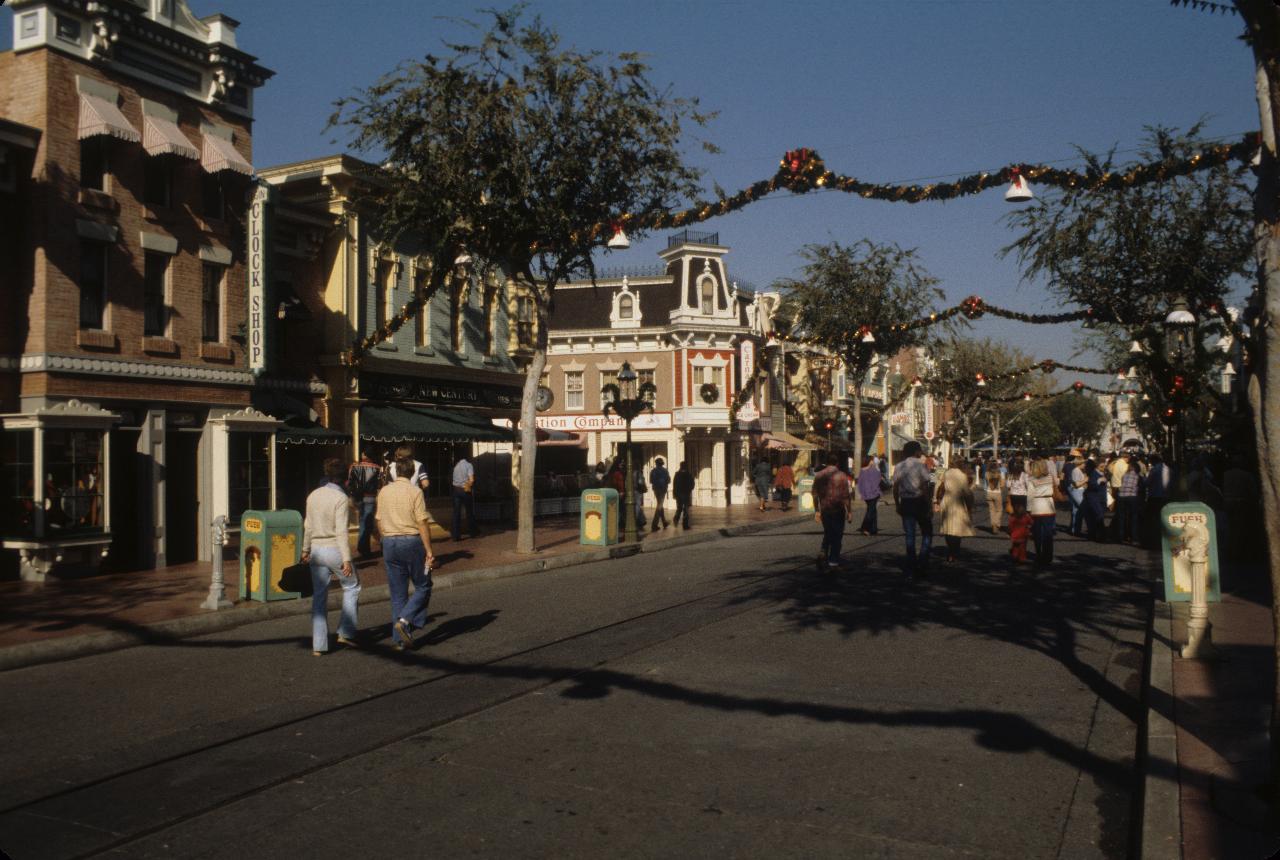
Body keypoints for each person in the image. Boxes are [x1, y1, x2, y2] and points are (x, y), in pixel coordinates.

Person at [376, 455, 436, 650]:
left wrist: (384, 538)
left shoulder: (383, 491)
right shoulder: (415, 491)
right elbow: (422, 521)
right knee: (423, 585)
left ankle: (400, 640)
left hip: (389, 542)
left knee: (398, 594)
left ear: (395, 472)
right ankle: (405, 621)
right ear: (412, 472)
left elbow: (378, 520)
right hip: (411, 541)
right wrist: (428, 549)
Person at [302, 458, 360, 656]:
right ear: (345, 481)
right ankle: (346, 631)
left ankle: (319, 645)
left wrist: (305, 549)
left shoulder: (313, 495)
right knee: (352, 586)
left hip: (316, 550)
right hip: (334, 549)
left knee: (319, 596)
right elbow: (342, 532)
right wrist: (346, 559)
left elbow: (308, 525)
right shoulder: (341, 499)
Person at [892, 441, 934, 575]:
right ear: (916, 452)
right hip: (920, 501)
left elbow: (895, 488)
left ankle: (911, 565)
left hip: (906, 502)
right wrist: (929, 505)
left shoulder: (898, 466)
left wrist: (897, 504)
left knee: (909, 535)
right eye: (920, 450)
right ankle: (922, 560)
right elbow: (925, 487)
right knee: (927, 532)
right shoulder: (921, 466)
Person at [812, 460, 853, 571]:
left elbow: (815, 494)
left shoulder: (819, 475)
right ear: (837, 463)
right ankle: (833, 562)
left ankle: (823, 552)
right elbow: (846, 495)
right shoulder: (841, 475)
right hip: (838, 509)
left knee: (829, 532)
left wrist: (817, 510)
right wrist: (849, 511)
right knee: (837, 536)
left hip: (825, 509)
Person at [935, 456, 974, 563]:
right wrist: (970, 504)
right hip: (958, 502)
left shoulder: (946, 473)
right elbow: (967, 492)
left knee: (948, 528)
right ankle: (954, 552)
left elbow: (938, 485)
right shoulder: (962, 475)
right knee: (957, 529)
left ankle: (950, 551)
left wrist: (936, 500)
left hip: (947, 501)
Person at [347, 449, 382, 558]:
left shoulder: (354, 466)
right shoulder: (377, 468)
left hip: (358, 497)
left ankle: (363, 548)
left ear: (365, 455)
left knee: (364, 522)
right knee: (366, 524)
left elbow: (350, 482)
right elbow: (380, 484)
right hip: (370, 497)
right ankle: (364, 549)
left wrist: (351, 497)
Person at [1027, 458, 1059, 568]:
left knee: (1037, 534)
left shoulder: (1031, 480)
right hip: (1049, 506)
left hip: (1036, 506)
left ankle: (1039, 555)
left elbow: (1030, 496)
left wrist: (1028, 509)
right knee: (1048, 533)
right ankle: (1048, 556)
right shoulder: (1050, 477)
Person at [1143, 453, 1172, 548]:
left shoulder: (1154, 470)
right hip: (1166, 497)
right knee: (1163, 519)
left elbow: (1147, 483)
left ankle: (1154, 540)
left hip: (1155, 497)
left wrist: (1143, 479)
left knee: (1153, 520)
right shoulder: (1168, 469)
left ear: (1153, 461)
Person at [1115, 453, 1142, 544]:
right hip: (1132, 497)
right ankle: (1134, 538)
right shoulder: (1138, 476)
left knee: (1122, 517)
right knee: (1134, 518)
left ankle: (1120, 537)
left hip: (1121, 496)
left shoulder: (1125, 475)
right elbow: (1141, 487)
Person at [451, 453, 477, 542]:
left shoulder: (456, 466)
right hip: (465, 490)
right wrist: (468, 485)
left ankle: (456, 535)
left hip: (455, 490)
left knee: (456, 513)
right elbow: (472, 479)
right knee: (469, 512)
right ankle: (472, 532)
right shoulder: (468, 465)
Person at [1082, 458, 1109, 543]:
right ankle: (1101, 536)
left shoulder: (1103, 473)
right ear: (1097, 465)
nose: (1103, 466)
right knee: (1099, 516)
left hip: (1102, 498)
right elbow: (1091, 486)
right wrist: (1099, 481)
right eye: (1102, 465)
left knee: (1098, 517)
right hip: (1094, 498)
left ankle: (1094, 534)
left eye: (1104, 465)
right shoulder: (1094, 473)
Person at [855, 456, 883, 535]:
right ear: (869, 461)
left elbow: (860, 482)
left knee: (872, 510)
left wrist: (861, 492)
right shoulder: (873, 470)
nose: (873, 462)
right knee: (871, 511)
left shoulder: (862, 471)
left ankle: (873, 529)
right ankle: (864, 527)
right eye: (872, 460)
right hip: (873, 493)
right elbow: (879, 479)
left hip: (865, 494)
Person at [1066, 455, 1087, 537]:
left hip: (1079, 491)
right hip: (1077, 491)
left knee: (1076, 511)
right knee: (1081, 509)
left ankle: (1075, 529)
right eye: (1084, 463)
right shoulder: (1075, 470)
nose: (1085, 465)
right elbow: (1076, 484)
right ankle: (1075, 529)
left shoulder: (1079, 470)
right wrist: (1086, 479)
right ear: (1080, 463)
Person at [648, 457, 671, 531]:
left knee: (660, 505)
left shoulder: (653, 471)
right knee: (660, 506)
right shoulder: (665, 471)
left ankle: (664, 522)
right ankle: (654, 524)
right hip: (663, 489)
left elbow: (651, 481)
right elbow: (668, 480)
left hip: (656, 489)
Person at [1008, 497, 1032, 563]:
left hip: (1015, 535)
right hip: (1023, 535)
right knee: (1023, 548)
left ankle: (1014, 557)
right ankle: (1022, 558)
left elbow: (1010, 527)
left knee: (1015, 547)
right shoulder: (1026, 516)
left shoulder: (1012, 517)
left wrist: (1010, 533)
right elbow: (1031, 522)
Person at [672, 461, 694, 530]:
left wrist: (674, 494)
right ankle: (685, 525)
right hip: (686, 494)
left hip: (679, 494)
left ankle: (676, 519)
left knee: (679, 508)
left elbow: (674, 485)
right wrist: (689, 489)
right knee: (685, 509)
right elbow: (692, 484)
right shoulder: (689, 474)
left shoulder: (677, 474)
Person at [984, 464, 1004, 535]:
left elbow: (987, 482)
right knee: (999, 510)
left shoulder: (987, 474)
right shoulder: (999, 474)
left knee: (992, 510)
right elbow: (1002, 485)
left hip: (989, 492)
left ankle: (993, 525)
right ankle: (996, 524)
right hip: (997, 493)